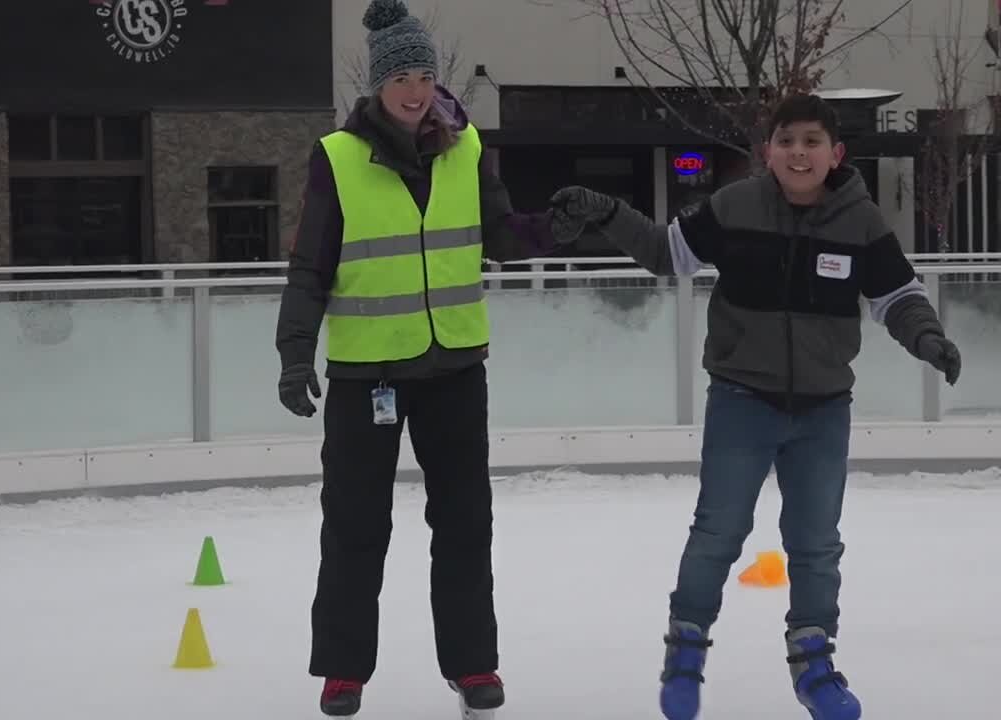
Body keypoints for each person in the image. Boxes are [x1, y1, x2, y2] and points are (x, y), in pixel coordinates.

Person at [548, 93, 961, 720]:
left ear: (835, 153)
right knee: (718, 531)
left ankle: (813, 661)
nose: (800, 152)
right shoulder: (736, 205)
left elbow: (896, 293)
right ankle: (686, 650)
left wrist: (926, 336)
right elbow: (669, 253)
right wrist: (609, 211)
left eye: (812, 141)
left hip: (823, 409)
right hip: (743, 399)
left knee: (816, 542)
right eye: (788, 140)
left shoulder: (860, 221)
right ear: (769, 150)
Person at [273, 0, 568, 716]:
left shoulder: (467, 149)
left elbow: (498, 234)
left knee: (466, 522)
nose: (414, 88)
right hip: (366, 375)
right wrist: (294, 351)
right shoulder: (338, 158)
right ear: (377, 84)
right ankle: (344, 670)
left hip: (455, 369)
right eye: (400, 74)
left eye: (424, 74)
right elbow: (311, 264)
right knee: (355, 524)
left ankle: (473, 666)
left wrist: (559, 225)